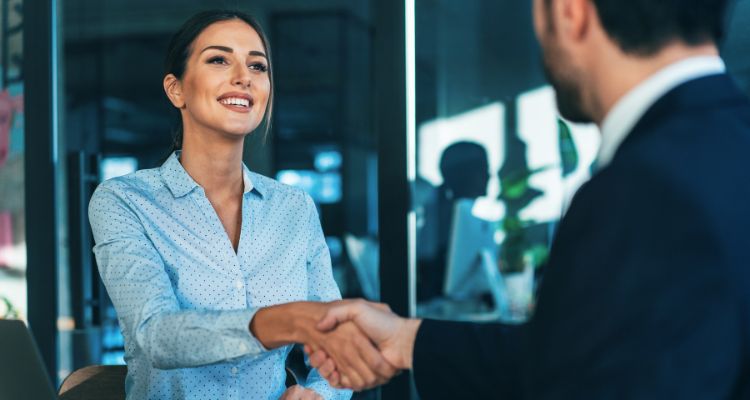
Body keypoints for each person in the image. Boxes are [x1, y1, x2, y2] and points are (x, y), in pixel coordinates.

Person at [306, 0, 750, 398]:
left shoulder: (641, 186)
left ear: (570, 12)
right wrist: (406, 340)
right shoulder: (723, 147)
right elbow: (589, 355)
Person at [89, 10, 394, 400]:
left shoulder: (295, 209)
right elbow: (157, 335)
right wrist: (288, 321)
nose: (243, 76)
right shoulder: (125, 201)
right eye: (219, 59)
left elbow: (334, 340)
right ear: (176, 89)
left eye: (257, 65)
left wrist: (318, 393)